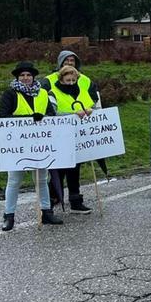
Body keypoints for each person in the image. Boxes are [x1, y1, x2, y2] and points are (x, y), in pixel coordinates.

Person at [0, 61, 63, 231]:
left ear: (33, 77)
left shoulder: (43, 93)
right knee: (14, 181)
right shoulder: (10, 94)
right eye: (22, 75)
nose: (26, 78)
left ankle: (46, 212)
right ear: (17, 77)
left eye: (29, 75)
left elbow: (51, 114)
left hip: (39, 143)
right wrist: (28, 120)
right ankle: (9, 215)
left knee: (42, 180)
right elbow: (3, 117)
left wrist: (43, 118)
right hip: (17, 145)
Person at [43, 52, 101, 214]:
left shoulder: (82, 86)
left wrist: (90, 111)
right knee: (59, 169)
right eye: (67, 80)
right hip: (59, 135)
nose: (70, 83)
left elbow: (93, 104)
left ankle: (75, 201)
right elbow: (51, 112)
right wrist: (73, 115)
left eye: (73, 81)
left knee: (75, 168)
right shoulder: (52, 89)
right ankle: (51, 200)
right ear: (61, 79)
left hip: (78, 135)